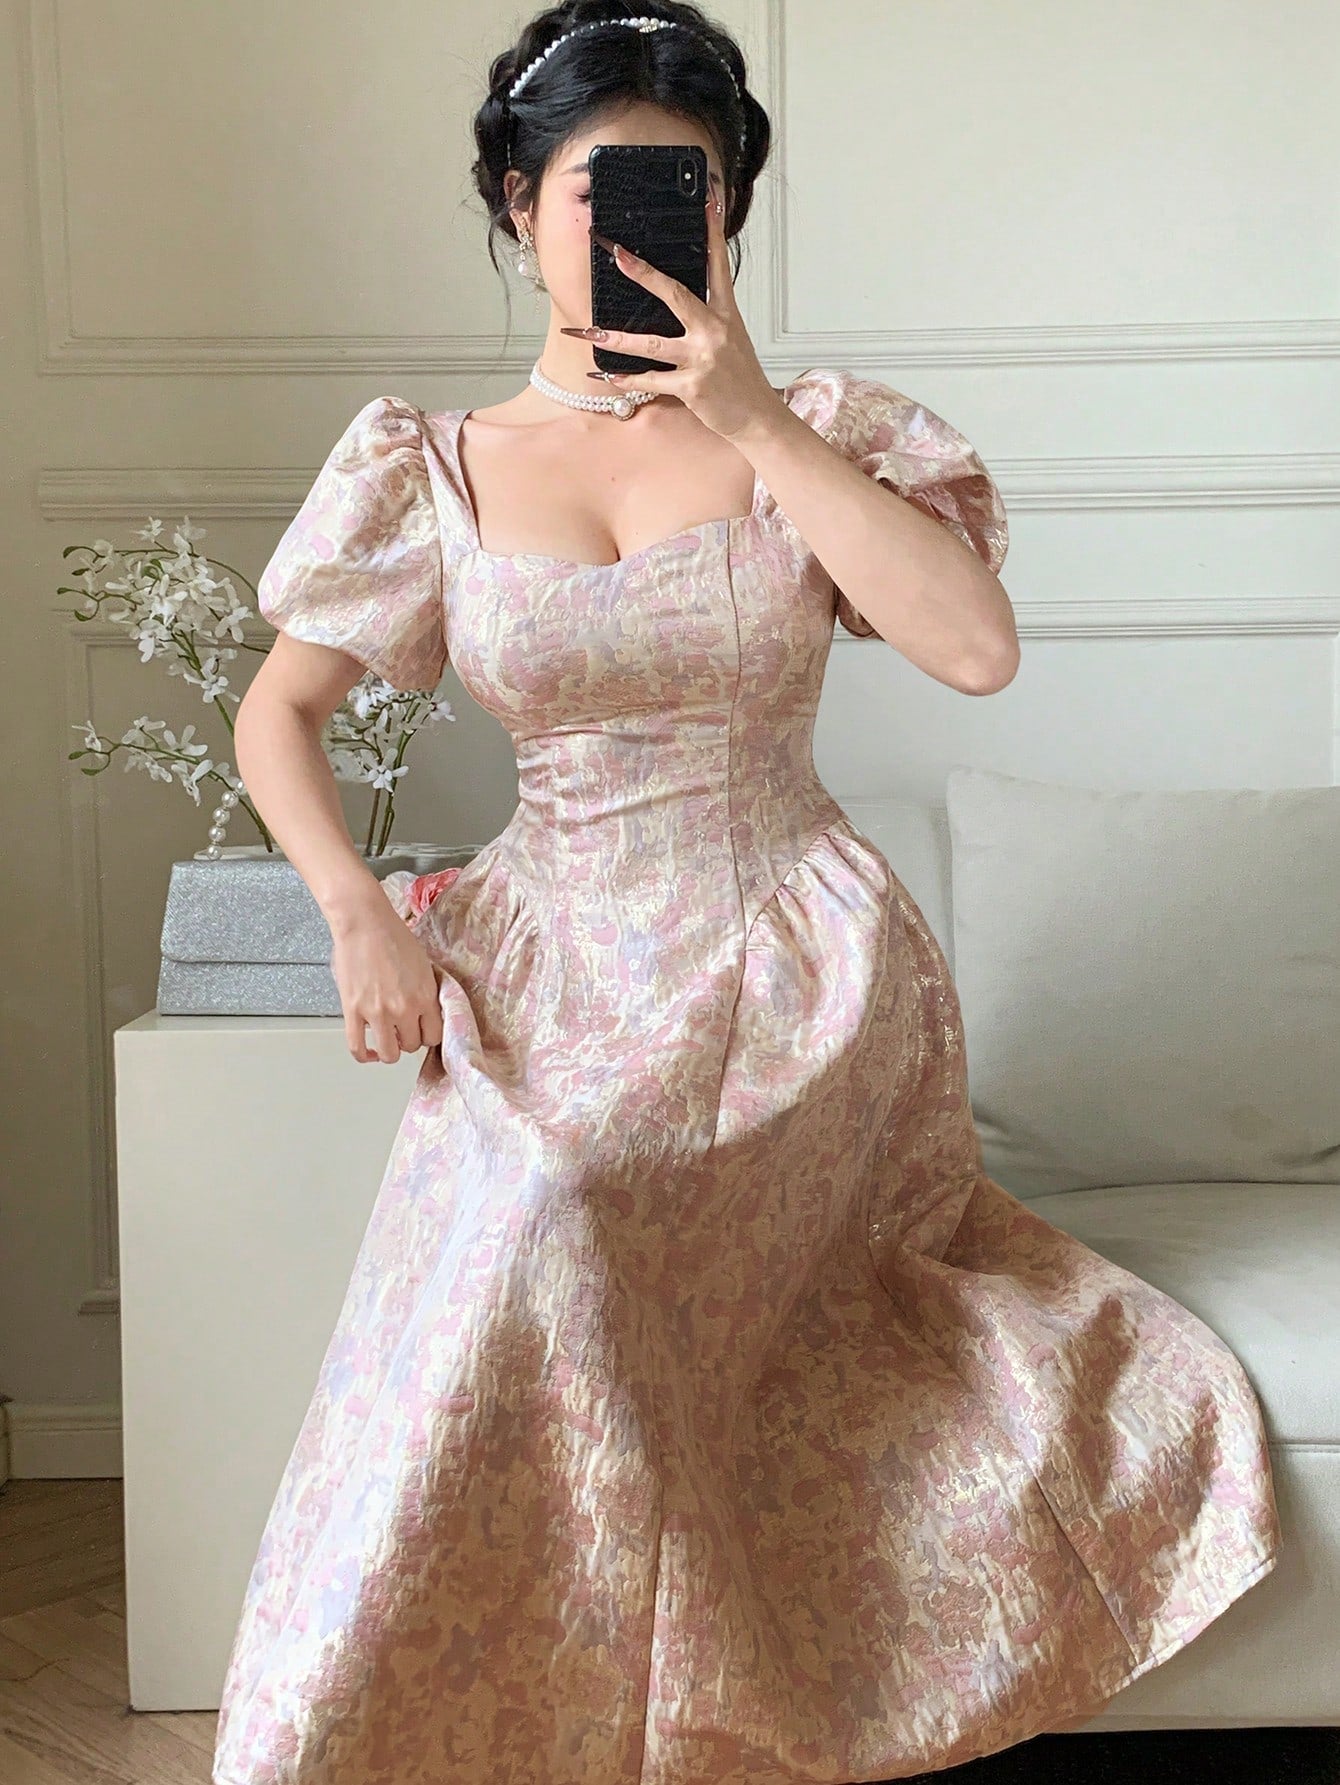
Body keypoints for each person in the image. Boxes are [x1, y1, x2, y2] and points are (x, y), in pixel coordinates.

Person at [212, 6, 1281, 1783]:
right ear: (516, 204)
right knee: (534, 1206)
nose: (637, 223)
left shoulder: (817, 431)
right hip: (551, 958)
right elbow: (278, 715)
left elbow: (976, 649)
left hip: (797, 971)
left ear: (728, 213)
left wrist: (758, 418)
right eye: (594, 188)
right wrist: (355, 909)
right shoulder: (434, 465)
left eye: (684, 188)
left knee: (575, 1207)